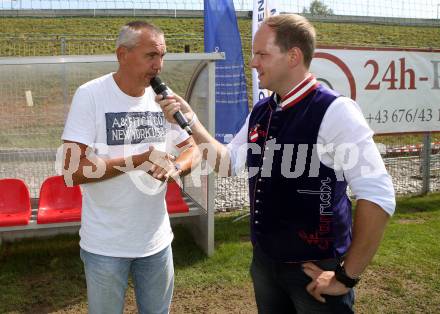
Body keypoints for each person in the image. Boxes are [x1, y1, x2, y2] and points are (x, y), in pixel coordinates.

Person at [158, 14, 395, 314]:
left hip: (315, 270)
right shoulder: (262, 109)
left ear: (293, 56)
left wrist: (347, 276)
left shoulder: (335, 110)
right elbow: (227, 164)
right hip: (266, 265)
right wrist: (190, 120)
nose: (254, 63)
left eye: (262, 54)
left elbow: (378, 195)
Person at [61, 21, 200, 314]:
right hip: (105, 246)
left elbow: (193, 148)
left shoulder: (163, 97)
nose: (159, 65)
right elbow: (72, 171)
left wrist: (175, 167)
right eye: (151, 55)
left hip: (157, 242)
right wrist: (136, 161)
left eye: (162, 56)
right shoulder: (91, 95)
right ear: (122, 54)